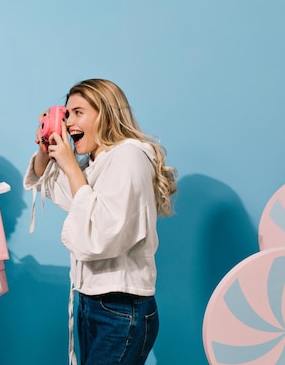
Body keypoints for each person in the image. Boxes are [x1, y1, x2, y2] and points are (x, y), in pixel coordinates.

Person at [24, 79, 177, 365]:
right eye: (66, 114)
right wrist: (47, 146)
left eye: (78, 112)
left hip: (121, 307)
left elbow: (103, 234)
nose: (69, 123)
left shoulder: (129, 156)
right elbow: (54, 188)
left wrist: (70, 167)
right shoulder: (95, 162)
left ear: (106, 113)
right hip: (91, 301)